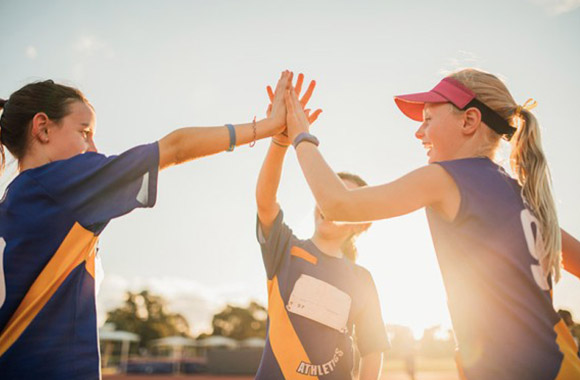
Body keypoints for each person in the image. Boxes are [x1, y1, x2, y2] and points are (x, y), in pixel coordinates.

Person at [284, 68, 580, 379]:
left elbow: (336, 205)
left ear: (469, 121)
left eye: (428, 119)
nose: (419, 132)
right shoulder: (521, 196)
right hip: (561, 365)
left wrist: (300, 135)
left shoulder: (447, 177)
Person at [0, 71, 293, 379]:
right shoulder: (62, 183)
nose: (94, 148)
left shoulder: (13, 204)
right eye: (84, 132)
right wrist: (267, 127)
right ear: (43, 128)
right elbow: (175, 147)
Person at [255, 74, 389, 379]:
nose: (330, 204)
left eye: (344, 199)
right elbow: (265, 201)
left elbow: (372, 351)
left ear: (362, 224)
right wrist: (280, 139)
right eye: (329, 194)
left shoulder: (362, 279)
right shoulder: (286, 249)